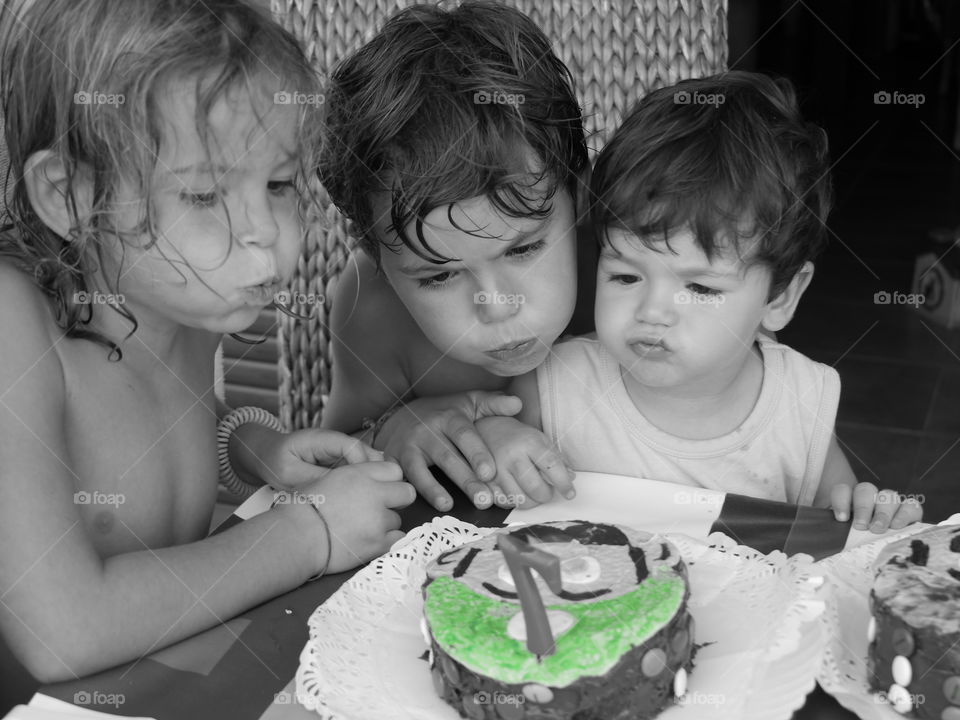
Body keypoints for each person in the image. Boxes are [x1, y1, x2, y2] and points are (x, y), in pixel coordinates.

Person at [0, 0, 413, 682]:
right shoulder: (14, 326)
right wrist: (308, 532)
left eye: (279, 184)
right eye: (202, 196)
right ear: (70, 196)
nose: (264, 232)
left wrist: (254, 448)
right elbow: (66, 631)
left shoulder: (174, 298)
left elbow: (151, 427)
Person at [506, 71, 922, 532]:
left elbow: (838, 535)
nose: (653, 312)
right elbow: (483, 476)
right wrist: (496, 442)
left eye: (701, 288)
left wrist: (868, 515)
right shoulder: (552, 389)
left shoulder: (798, 406)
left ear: (781, 295)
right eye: (625, 275)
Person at [317, 1, 588, 511]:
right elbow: (337, 456)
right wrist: (397, 429)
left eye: (525, 248)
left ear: (582, 194)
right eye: (439, 276)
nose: (498, 305)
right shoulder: (372, 309)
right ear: (375, 256)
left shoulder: (631, 273)